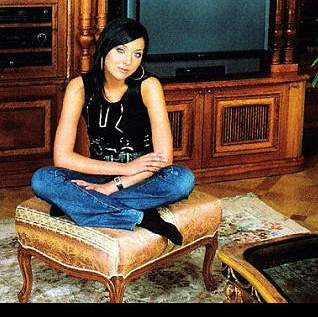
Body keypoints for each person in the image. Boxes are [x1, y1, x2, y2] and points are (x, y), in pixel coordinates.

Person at [31, 18, 195, 245]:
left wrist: (111, 187)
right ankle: (141, 217)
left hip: (141, 177)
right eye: (121, 50)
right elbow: (62, 157)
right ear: (105, 47)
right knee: (43, 179)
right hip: (100, 171)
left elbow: (164, 158)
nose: (128, 61)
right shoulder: (79, 87)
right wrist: (124, 168)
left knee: (182, 180)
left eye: (137, 54)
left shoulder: (149, 86)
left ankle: (79, 204)